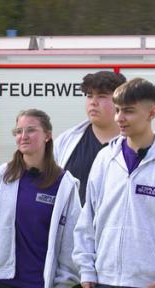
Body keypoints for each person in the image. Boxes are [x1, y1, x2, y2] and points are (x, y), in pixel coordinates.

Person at [73, 78, 155, 288]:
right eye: (117, 110)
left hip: (151, 282)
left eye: (129, 111)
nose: (119, 118)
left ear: (152, 113)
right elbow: (87, 219)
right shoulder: (105, 158)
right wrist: (86, 270)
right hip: (102, 280)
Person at [0, 109, 81, 288]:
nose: (23, 136)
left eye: (31, 130)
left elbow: (70, 242)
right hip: (1, 281)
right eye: (18, 131)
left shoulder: (65, 185)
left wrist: (63, 283)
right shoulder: (2, 177)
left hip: (42, 283)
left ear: (47, 135)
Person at [54, 71, 126, 206]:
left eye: (102, 96)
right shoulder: (65, 141)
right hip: (73, 226)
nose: (93, 102)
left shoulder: (135, 145)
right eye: (89, 96)